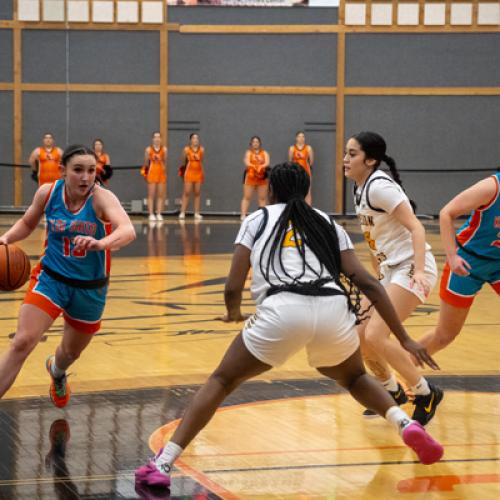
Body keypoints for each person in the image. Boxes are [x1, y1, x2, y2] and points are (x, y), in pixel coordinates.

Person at [135, 162, 443, 489]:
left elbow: (232, 284)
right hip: (333, 309)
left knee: (222, 380)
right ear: (307, 190)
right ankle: (405, 422)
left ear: (271, 190)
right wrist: (405, 337)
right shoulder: (326, 222)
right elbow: (368, 282)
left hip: (282, 309)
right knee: (354, 377)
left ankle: (163, 463)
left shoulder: (257, 218)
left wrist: (234, 313)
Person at [0, 144, 136, 408]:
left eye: (90, 170)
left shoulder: (101, 198)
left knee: (70, 352)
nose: (86, 177)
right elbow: (28, 223)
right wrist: (6, 237)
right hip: (50, 278)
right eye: (78, 170)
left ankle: (57, 371)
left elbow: (128, 230)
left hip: (90, 287)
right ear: (62, 171)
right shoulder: (48, 193)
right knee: (22, 341)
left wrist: (101, 243)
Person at [344, 131, 443, 423]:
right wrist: (375, 279)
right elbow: (374, 240)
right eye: (346, 153)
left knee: (376, 334)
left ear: (371, 159)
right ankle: (391, 390)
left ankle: (425, 392)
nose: (345, 159)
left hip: (412, 266)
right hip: (390, 270)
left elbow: (417, 228)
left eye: (352, 154)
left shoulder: (379, 187)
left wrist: (422, 271)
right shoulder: (359, 187)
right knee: (358, 335)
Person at [418, 173, 500, 354]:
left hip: (498, 263)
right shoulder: (491, 187)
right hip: (468, 261)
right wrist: (452, 256)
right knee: (445, 335)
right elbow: (446, 213)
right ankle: (404, 369)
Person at [240, 136, 270, 221]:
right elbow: (247, 162)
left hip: (262, 177)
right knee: (247, 197)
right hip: (250, 177)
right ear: (251, 143)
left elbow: (267, 163)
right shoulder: (248, 153)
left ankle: (263, 215)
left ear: (260, 143)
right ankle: (243, 215)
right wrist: (256, 167)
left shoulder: (264, 153)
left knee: (262, 198)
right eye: (254, 142)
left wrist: (261, 167)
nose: (255, 143)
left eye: (257, 142)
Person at [179, 133, 204, 221]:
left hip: (198, 173)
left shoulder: (202, 149)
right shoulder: (186, 149)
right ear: (190, 140)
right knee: (187, 192)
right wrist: (182, 173)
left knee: (197, 193)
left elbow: (201, 161)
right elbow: (182, 162)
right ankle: (182, 212)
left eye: (197, 138)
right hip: (189, 173)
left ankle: (196, 213)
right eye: (194, 138)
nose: (196, 140)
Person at [143, 132, 167, 222]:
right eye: (155, 137)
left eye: (158, 137)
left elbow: (165, 161)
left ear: (161, 139)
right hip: (152, 172)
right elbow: (145, 163)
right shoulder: (148, 150)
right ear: (152, 139)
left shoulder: (164, 149)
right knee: (151, 194)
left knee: (160, 195)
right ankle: (151, 214)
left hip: (161, 173)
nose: (157, 139)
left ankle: (159, 213)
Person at [288, 131, 314, 204]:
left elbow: (311, 161)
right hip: (295, 173)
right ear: (296, 138)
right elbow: (290, 161)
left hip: (306, 172)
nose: (301, 138)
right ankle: (296, 208)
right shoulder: (292, 148)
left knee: (308, 191)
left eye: (303, 136)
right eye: (299, 136)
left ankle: (308, 210)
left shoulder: (308, 148)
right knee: (295, 191)